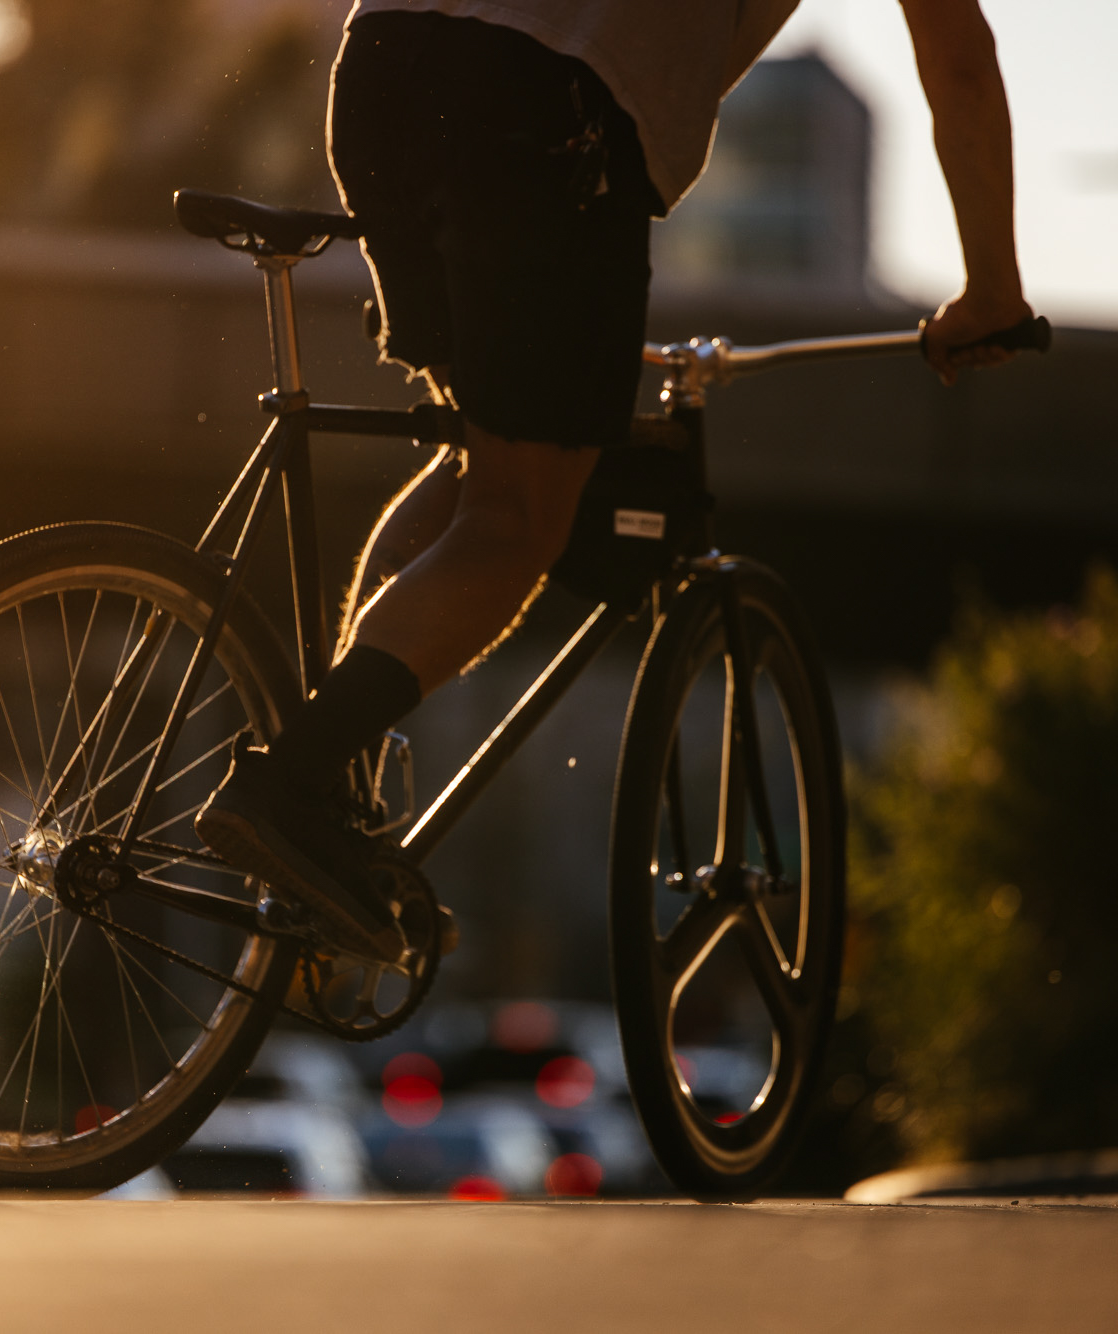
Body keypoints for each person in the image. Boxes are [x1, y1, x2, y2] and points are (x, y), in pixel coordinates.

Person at [198, 0, 1033, 959]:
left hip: (386, 61)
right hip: (539, 105)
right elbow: (957, 55)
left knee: (484, 466)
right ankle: (293, 782)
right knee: (518, 518)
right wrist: (993, 290)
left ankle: (339, 809)